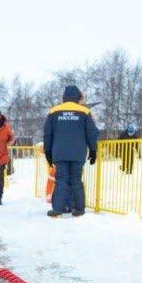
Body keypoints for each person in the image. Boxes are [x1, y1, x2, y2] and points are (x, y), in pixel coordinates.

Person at [43, 85, 98, 217]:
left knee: (61, 180)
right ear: (78, 97)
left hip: (59, 153)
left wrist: (48, 153)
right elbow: (91, 133)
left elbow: (47, 134)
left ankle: (57, 209)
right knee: (76, 180)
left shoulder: (54, 111)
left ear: (64, 97)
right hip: (78, 153)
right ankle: (79, 210)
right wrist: (93, 151)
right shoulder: (84, 111)